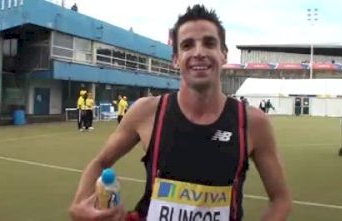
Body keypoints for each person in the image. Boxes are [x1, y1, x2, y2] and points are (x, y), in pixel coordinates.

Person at [69, 4, 291, 221]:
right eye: (187, 45)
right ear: (175, 59)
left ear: (223, 54)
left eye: (209, 43)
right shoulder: (147, 112)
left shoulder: (252, 122)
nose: (199, 52)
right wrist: (79, 204)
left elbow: (280, 199)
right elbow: (100, 162)